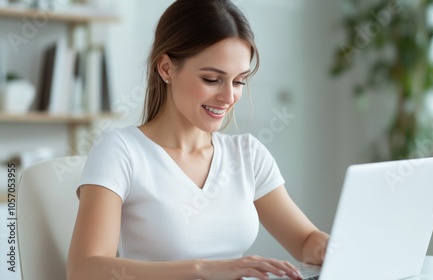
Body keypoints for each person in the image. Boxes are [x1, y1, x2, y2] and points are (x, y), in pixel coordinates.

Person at [67, 0, 329, 279]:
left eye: (239, 81)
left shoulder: (248, 155)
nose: (229, 97)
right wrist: (202, 269)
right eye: (212, 79)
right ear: (166, 68)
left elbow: (304, 241)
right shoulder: (121, 151)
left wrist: (326, 246)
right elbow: (84, 268)